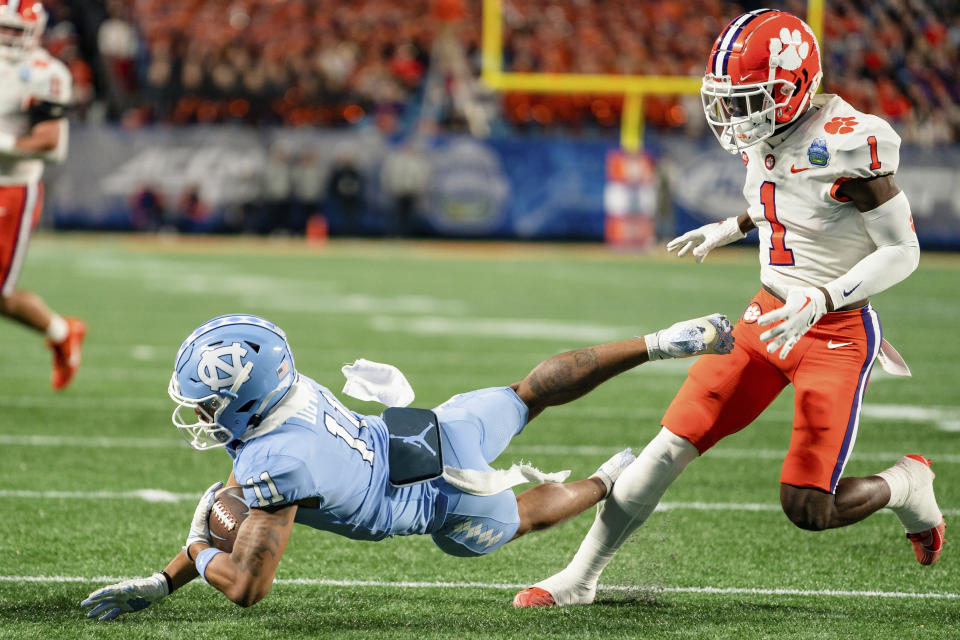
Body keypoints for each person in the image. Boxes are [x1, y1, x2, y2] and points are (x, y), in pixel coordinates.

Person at [514, 9, 943, 608]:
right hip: (764, 316)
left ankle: (907, 482)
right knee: (670, 442)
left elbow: (904, 249)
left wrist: (822, 296)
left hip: (835, 331)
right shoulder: (770, 130)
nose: (738, 115)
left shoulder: (850, 142)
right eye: (732, 100)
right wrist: (734, 226)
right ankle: (581, 576)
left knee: (808, 508)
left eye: (752, 99)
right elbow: (786, 193)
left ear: (795, 87)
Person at [81, 311, 734, 620]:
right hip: (425, 429)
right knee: (526, 392)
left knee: (522, 518)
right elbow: (244, 475)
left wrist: (196, 554)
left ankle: (606, 480)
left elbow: (249, 587)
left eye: (209, 404)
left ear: (244, 399)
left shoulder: (273, 463)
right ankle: (655, 343)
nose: (201, 416)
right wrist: (163, 582)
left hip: (441, 499)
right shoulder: (289, 392)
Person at [0, 0, 85, 390]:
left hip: (11, 186)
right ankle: (60, 330)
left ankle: (60, 330)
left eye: (15, 30)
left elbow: (48, 142)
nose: (6, 37)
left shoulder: (45, 73)